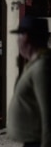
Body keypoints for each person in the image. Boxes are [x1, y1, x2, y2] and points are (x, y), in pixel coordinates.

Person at [8, 16, 51, 147]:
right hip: (31, 140)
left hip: (38, 142)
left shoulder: (41, 67)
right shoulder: (34, 64)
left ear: (26, 37)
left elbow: (48, 113)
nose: (17, 41)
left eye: (19, 35)